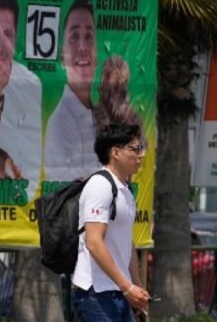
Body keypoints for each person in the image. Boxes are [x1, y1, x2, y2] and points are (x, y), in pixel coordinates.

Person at [72, 123, 150, 321]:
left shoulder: (124, 189)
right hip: (96, 293)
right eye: (135, 149)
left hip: (118, 290)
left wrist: (137, 285)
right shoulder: (100, 185)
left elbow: (126, 243)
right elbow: (94, 242)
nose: (140, 155)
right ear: (116, 152)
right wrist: (127, 287)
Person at [0, 0, 42, 194]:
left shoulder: (31, 85)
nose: (0, 45)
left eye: (7, 34)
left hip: (16, 205)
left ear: (16, 37)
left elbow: (32, 167)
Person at [44, 0, 98, 181]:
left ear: (96, 55)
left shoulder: (100, 116)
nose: (83, 47)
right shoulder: (59, 122)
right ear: (62, 56)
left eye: (89, 37)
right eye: (74, 37)